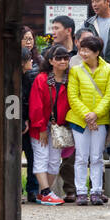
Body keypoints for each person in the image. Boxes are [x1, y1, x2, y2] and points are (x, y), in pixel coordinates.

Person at [66, 32, 110, 204]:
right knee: (81, 156)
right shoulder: (76, 71)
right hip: (80, 120)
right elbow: (73, 96)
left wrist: (96, 115)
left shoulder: (109, 69)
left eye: (87, 51)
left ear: (97, 52)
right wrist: (88, 116)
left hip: (100, 120)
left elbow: (108, 96)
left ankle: (96, 190)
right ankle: (80, 191)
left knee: (96, 157)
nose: (83, 54)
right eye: (81, 50)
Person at [27, 45, 72, 205]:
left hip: (59, 126)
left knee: (54, 161)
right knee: (42, 156)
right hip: (41, 125)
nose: (62, 61)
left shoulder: (70, 79)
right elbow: (36, 105)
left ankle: (44, 192)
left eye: (65, 58)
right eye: (58, 58)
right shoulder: (42, 79)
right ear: (51, 60)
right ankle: (46, 192)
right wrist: (40, 128)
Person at [48, 15, 78, 200]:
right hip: (54, 110)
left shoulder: (79, 53)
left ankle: (74, 189)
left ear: (68, 30)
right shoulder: (50, 53)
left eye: (56, 28)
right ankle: (63, 190)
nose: (53, 32)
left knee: (73, 153)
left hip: (75, 109)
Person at [21, 45, 41, 204]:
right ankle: (16, 190)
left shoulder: (29, 77)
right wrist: (20, 122)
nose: (32, 61)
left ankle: (32, 191)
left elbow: (28, 101)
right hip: (19, 123)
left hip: (28, 122)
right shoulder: (13, 78)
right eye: (29, 59)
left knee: (32, 156)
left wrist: (26, 119)